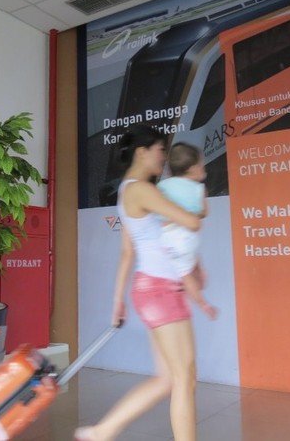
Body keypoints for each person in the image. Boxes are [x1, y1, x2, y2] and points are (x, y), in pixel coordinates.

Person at [75, 124, 202, 441]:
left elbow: (127, 252)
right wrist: (193, 185)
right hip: (160, 290)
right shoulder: (142, 190)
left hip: (153, 288)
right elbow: (191, 220)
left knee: (168, 379)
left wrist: (118, 299)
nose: (164, 157)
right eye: (160, 150)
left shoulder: (128, 189)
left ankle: (102, 431)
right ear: (142, 152)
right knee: (184, 378)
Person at [157, 142, 217, 320]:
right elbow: (204, 213)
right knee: (190, 261)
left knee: (183, 272)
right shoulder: (199, 189)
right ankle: (200, 284)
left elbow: (157, 211)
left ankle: (199, 299)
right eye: (201, 164)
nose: (204, 167)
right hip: (189, 237)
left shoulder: (162, 186)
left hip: (169, 238)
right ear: (192, 169)